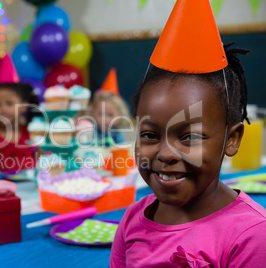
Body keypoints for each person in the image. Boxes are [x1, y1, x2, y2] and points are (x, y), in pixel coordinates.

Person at [110, 0, 266, 267]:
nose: (166, 154)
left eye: (190, 137)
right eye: (149, 135)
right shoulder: (133, 219)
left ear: (231, 139)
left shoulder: (251, 235)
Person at [0, 82, 39, 173]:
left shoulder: (31, 133)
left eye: (9, 103)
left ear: (24, 106)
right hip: (1, 186)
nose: (3, 109)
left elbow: (41, 165)